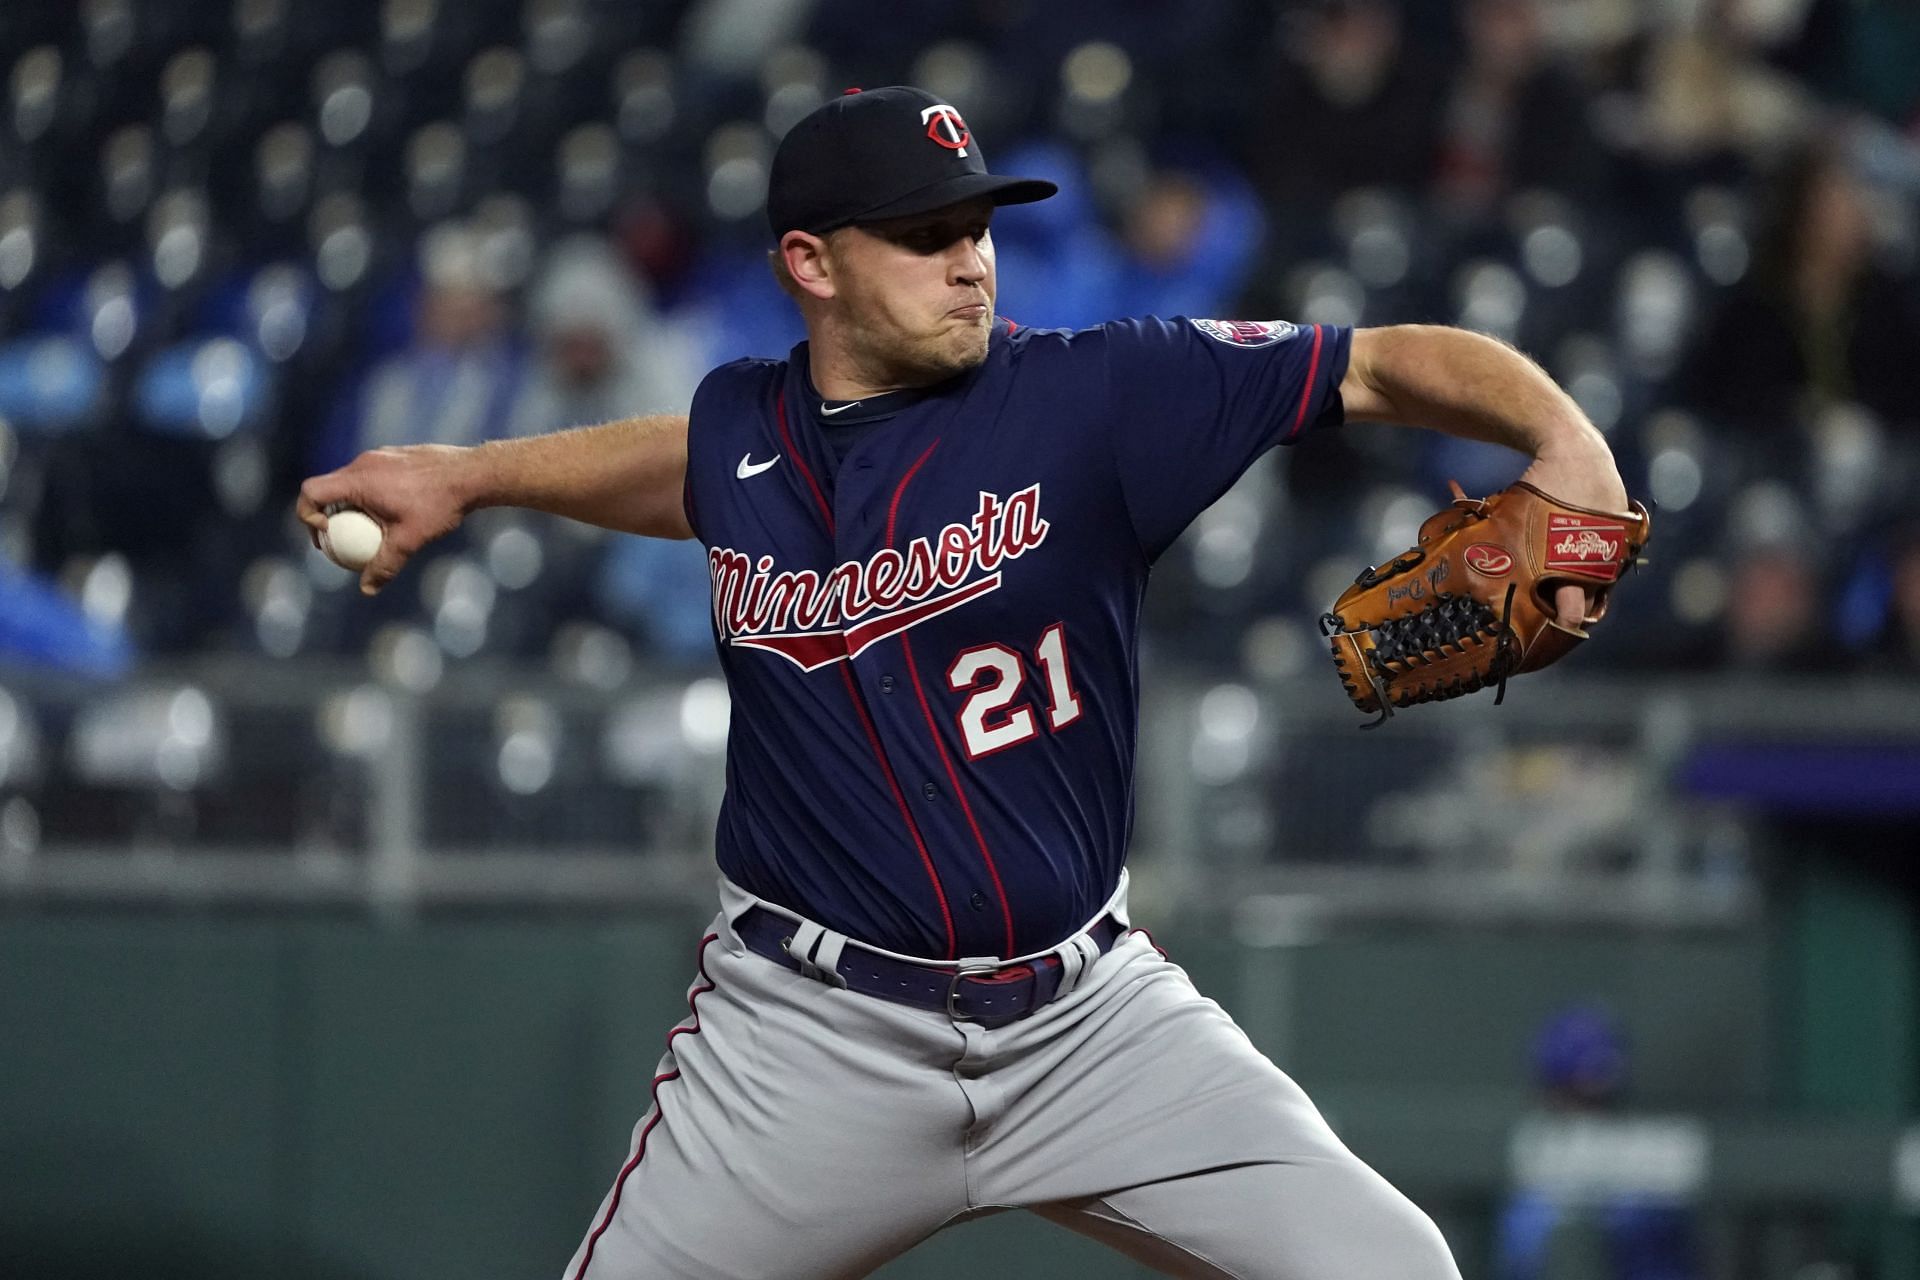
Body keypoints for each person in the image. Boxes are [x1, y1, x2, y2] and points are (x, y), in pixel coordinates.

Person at [300, 86, 1629, 1280]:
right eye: (925, 234)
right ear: (810, 265)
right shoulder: (740, 433)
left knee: (1398, 1269)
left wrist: (1570, 447)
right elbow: (683, 467)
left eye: (979, 225)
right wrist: (467, 474)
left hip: (1091, 1024)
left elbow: (1383, 362)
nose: (971, 260)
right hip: (810, 1043)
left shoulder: (1102, 396)